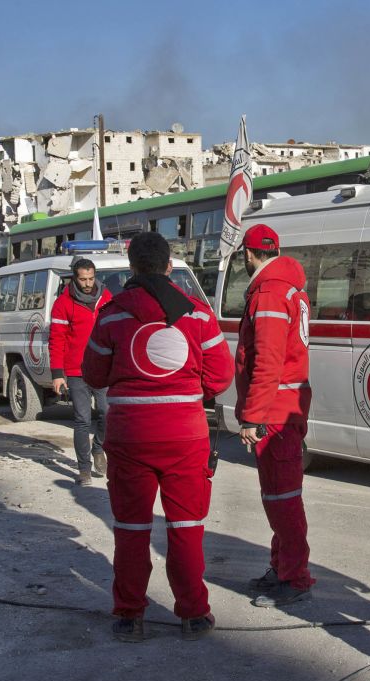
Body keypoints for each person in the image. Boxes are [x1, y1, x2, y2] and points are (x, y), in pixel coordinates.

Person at [82, 232, 233, 642]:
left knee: (131, 530)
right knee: (186, 527)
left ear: (131, 267)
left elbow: (93, 374)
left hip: (129, 436)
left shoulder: (111, 314)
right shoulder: (198, 314)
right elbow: (220, 376)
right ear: (169, 266)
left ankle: (130, 616)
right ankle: (194, 615)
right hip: (185, 435)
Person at [234, 223, 316, 608]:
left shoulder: (268, 292)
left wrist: (252, 415)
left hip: (275, 411)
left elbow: (266, 360)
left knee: (282, 498)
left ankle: (294, 577)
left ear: (248, 255)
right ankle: (282, 566)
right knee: (278, 496)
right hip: (284, 406)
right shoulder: (289, 286)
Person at [50, 257, 113, 485]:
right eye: (83, 279)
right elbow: (56, 340)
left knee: (108, 413)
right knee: (82, 420)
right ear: (75, 279)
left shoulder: (107, 299)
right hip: (76, 371)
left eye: (91, 278)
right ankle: (84, 470)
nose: (87, 283)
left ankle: (98, 448)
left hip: (103, 368)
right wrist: (57, 374)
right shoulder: (63, 303)